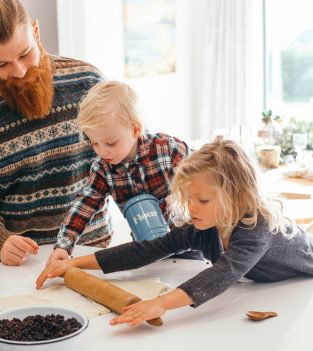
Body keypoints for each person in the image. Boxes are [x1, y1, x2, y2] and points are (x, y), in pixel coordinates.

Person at [36, 138, 313, 327]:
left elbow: (224, 273)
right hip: (277, 287)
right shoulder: (202, 227)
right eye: (190, 199)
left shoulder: (256, 226)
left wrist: (159, 304)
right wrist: (73, 264)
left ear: (236, 197)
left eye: (203, 200)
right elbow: (147, 249)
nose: (193, 208)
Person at [0, 0, 112, 267]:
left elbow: (123, 160)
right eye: (1, 64)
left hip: (89, 253)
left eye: (25, 54)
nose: (19, 71)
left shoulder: (89, 83)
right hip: (15, 267)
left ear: (36, 30)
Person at [47, 80, 200, 264]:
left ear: (135, 129)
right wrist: (64, 245)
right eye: (94, 143)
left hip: (189, 242)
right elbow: (85, 205)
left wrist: (182, 194)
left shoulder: (168, 149)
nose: (102, 151)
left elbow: (205, 177)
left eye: (110, 143)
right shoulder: (103, 168)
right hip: (146, 247)